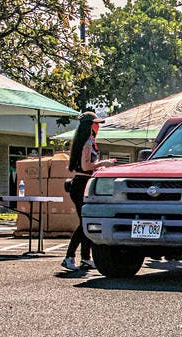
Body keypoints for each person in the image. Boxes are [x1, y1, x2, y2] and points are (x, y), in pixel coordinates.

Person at [62, 111, 116, 271]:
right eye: (96, 123)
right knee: (85, 223)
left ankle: (86, 258)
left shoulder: (89, 141)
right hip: (81, 184)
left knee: (88, 221)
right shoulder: (86, 142)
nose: (98, 126)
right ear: (90, 126)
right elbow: (86, 167)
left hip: (85, 183)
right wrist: (103, 163)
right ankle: (69, 257)